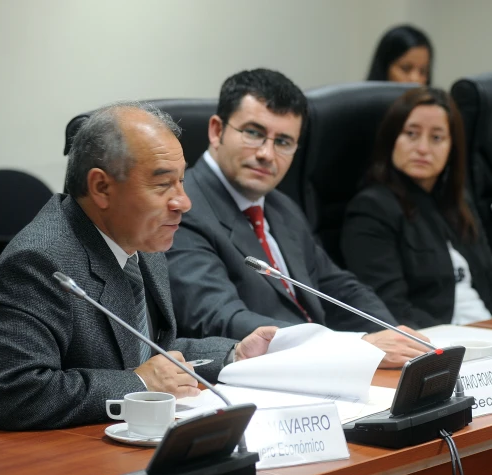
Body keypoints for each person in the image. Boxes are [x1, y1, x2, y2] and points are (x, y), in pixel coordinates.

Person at [0, 103, 274, 437]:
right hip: (6, 463)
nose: (183, 202)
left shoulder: (140, 241)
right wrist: (139, 382)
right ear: (102, 188)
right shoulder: (39, 262)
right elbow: (15, 392)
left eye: (181, 181)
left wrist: (232, 354)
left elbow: (145, 350)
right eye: (163, 185)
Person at [167, 68, 431, 369]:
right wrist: (354, 347)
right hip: (259, 381)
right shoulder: (185, 208)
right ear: (216, 131)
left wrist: (393, 334)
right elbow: (221, 320)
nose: (267, 154)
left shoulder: (281, 206)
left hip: (322, 371)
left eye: (283, 142)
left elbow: (339, 288)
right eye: (253, 133)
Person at [341, 87, 492, 329]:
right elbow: (391, 308)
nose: (423, 149)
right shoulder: (371, 209)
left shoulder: (459, 203)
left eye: (436, 138)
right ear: (391, 139)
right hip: (441, 344)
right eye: (411, 134)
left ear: (452, 148)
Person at [366, 24, 432, 85]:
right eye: (406, 69)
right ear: (384, 68)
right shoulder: (358, 97)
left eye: (423, 72)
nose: (415, 80)